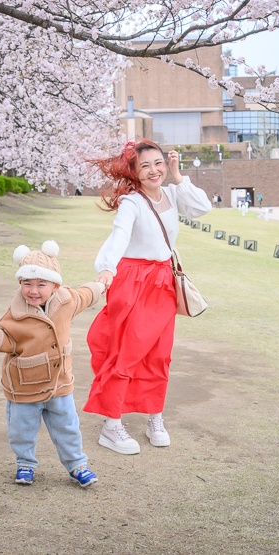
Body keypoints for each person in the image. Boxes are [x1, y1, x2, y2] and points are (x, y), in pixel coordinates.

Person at [84, 139, 212, 454]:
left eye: (158, 163)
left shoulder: (171, 193)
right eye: (145, 166)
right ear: (135, 172)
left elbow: (203, 207)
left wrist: (178, 175)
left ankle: (155, 416)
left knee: (160, 355)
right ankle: (111, 426)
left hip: (162, 284)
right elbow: (119, 237)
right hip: (132, 283)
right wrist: (106, 269)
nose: (154, 171)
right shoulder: (132, 202)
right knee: (125, 354)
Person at [0, 240, 105, 487]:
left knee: (68, 427)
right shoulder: (15, 313)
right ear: (20, 284)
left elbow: (86, 296)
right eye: (27, 284)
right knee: (21, 429)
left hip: (60, 384)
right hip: (25, 385)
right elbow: (8, 339)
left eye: (41, 284)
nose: (33, 290)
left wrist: (101, 283)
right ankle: (25, 463)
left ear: (55, 285)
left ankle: (77, 465)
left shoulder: (66, 301)